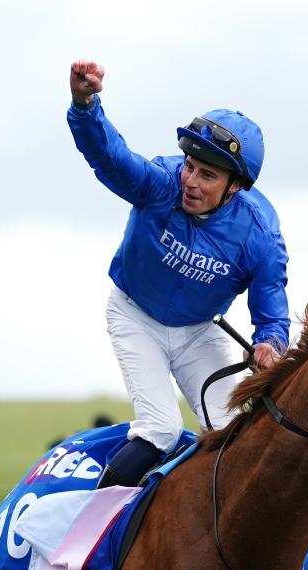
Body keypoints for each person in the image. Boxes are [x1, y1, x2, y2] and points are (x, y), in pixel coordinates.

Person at [67, 59, 290, 488]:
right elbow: (109, 156)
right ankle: (93, 520)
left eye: (207, 175)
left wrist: (270, 344)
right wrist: (85, 105)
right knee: (161, 430)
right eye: (189, 165)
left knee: (234, 435)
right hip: (135, 316)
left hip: (198, 332)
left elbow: (272, 315)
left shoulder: (260, 235)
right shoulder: (160, 183)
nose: (190, 181)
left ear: (235, 187)